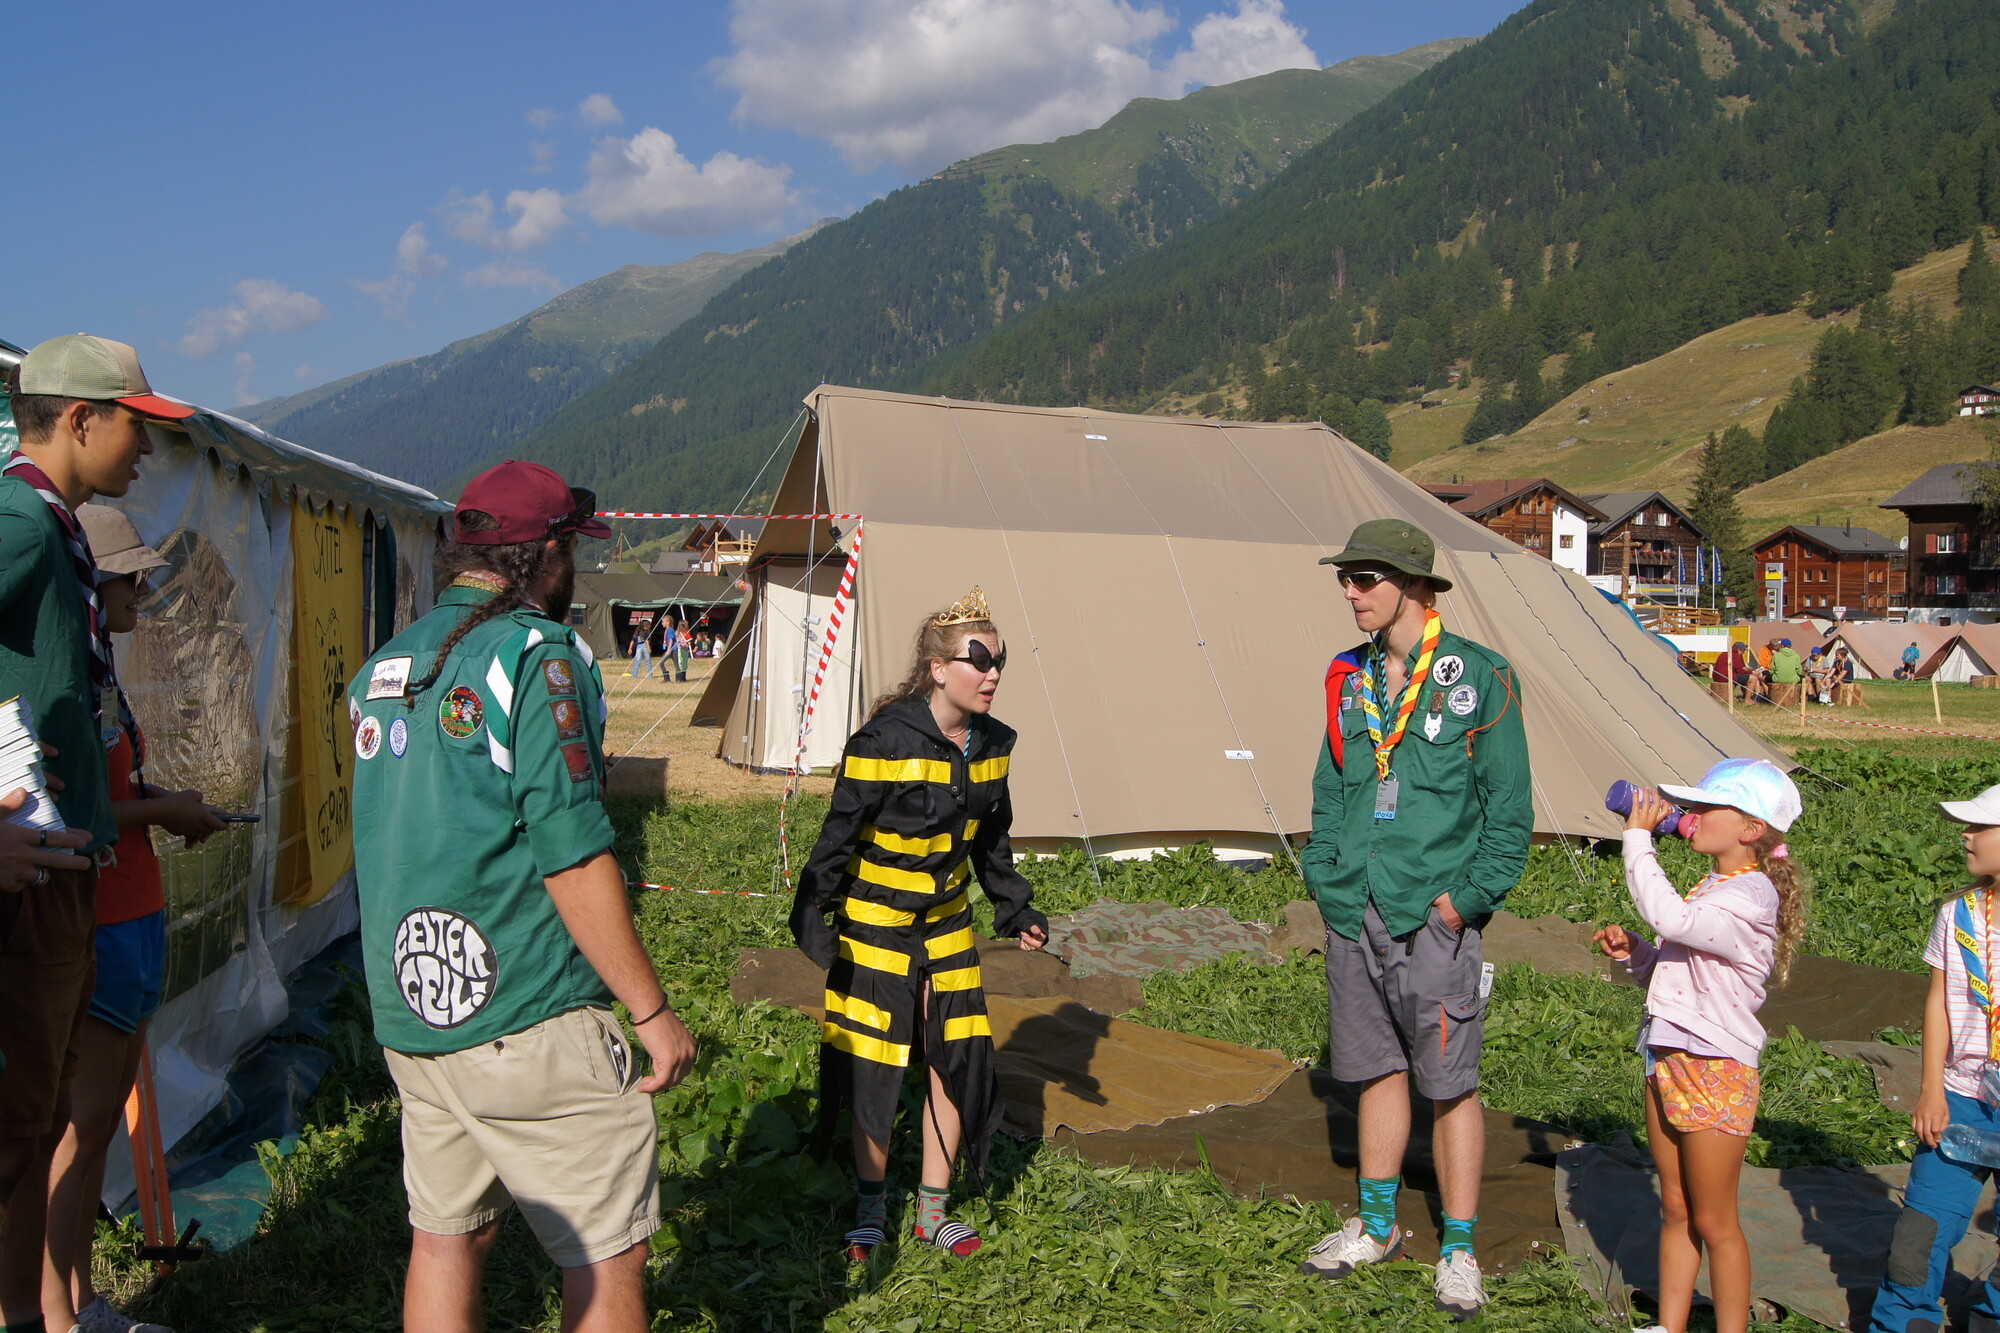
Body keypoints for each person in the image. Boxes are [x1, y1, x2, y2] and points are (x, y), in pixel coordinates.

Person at [347, 461, 696, 1333]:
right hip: (524, 1009)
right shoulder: (537, 657)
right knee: (607, 1257)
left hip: (415, 1010)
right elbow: (572, 853)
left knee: (447, 1236)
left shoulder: (385, 665)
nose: (575, 569)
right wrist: (651, 1010)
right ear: (544, 555)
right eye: (572, 551)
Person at [0, 334, 193, 1333]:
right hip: (25, 885)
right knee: (18, 1138)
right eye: (137, 427)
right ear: (80, 419)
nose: (147, 452)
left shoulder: (51, 529)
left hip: (61, 877)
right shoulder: (20, 525)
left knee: (32, 1134)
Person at [1296, 520, 1532, 1320]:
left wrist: (1463, 903)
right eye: (1346, 577)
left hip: (1432, 915)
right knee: (1375, 1069)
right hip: (1354, 905)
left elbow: (1509, 809)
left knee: (1450, 1082)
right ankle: (1377, 1225)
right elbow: (1332, 785)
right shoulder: (1349, 677)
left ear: (1414, 584)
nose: (1351, 591)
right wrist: (1327, 876)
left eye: (1365, 578)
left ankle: (1458, 1247)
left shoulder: (1480, 677)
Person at [790, 585, 1049, 1264]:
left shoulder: (994, 745)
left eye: (999, 661)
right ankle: (871, 1209)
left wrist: (1014, 906)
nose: (993, 673)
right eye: (979, 660)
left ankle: (933, 1212)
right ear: (938, 669)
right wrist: (815, 917)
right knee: (876, 1064)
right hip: (877, 923)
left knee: (954, 1056)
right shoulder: (882, 742)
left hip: (948, 923)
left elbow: (992, 840)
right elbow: (836, 840)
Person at [43, 506, 226, 1333]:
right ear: (89, 583)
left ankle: (83, 1300)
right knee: (77, 1135)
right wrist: (159, 809)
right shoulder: (64, 682)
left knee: (93, 1134)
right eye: (130, 577)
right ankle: (56, 1311)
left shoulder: (100, 668)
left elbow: (110, 791)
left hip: (135, 912)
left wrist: (162, 804)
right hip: (103, 918)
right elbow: (69, 811)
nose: (144, 591)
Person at [1593, 759, 1805, 1333]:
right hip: (1667, 1054)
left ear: (1751, 829)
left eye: (1709, 808)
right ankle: (1671, 1324)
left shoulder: (1752, 895)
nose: (1693, 815)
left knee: (1715, 1221)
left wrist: (1638, 837)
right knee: (1677, 1207)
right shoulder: (1718, 884)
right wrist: (1638, 953)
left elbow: (1673, 919)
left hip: (1714, 1067)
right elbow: (1685, 972)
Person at [1864, 782, 2000, 1332]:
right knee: (1918, 1236)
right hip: (1961, 1099)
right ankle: (1903, 1322)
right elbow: (1939, 1002)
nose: (1965, 835)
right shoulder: (1957, 914)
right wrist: (1931, 1089)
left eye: (1979, 826)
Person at [628, 612, 655, 680]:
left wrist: (630, 648)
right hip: (645, 646)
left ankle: (634, 676)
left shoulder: (637, 631)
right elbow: (646, 641)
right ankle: (650, 676)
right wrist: (649, 648)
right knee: (648, 662)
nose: (650, 626)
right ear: (646, 625)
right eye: (649, 625)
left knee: (637, 661)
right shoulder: (647, 631)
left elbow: (633, 640)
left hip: (638, 647)